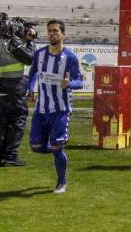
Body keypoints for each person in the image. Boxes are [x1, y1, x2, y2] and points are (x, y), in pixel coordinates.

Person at [27, 19, 83, 194]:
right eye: (50, 30)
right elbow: (33, 72)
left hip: (60, 110)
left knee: (57, 147)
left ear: (63, 35)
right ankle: (56, 151)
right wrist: (30, 89)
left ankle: (62, 182)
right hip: (41, 109)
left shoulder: (70, 58)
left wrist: (69, 84)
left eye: (55, 31)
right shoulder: (40, 54)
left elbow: (79, 82)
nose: (52, 33)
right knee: (35, 147)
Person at [0, 13, 36, 166]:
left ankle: (1, 155)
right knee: (17, 118)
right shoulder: (12, 41)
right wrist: (30, 41)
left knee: (1, 121)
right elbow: (29, 58)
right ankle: (11, 154)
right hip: (13, 85)